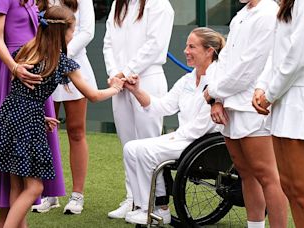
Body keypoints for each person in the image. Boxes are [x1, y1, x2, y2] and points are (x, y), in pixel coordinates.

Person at [0, 6, 124, 228]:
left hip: (8, 117)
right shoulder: (61, 62)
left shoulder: (24, 51)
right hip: (27, 123)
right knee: (35, 188)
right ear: (63, 33)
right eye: (72, 31)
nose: (73, 35)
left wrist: (38, 116)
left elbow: (19, 94)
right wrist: (115, 88)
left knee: (16, 186)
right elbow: (93, 95)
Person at [120, 27, 224, 225]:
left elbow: (202, 126)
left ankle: (159, 207)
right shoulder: (187, 79)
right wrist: (136, 90)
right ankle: (146, 206)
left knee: (146, 151)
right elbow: (163, 106)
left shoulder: (218, 80)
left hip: (202, 143)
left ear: (209, 51)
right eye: (186, 45)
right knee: (131, 148)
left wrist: (173, 136)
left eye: (192, 46)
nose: (185, 50)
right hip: (184, 138)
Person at [203, 0, 288, 227]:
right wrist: (216, 99)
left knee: (268, 176)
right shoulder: (241, 15)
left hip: (254, 107)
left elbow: (249, 67)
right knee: (245, 172)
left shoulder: (269, 13)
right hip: (231, 105)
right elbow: (225, 60)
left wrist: (213, 92)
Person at [252, 0, 304, 227]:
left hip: (302, 99)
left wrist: (269, 94)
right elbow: (278, 51)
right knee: (290, 188)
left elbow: (299, 55)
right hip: (285, 98)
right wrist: (262, 86)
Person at [0, 0, 66, 226]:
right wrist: (15, 67)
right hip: (14, 71)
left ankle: (12, 223)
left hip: (36, 71)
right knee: (12, 157)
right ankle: (7, 221)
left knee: (22, 168)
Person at [103, 0, 174, 219]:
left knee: (149, 143)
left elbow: (154, 44)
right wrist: (116, 73)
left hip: (148, 79)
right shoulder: (118, 4)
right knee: (128, 144)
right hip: (120, 84)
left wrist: (126, 72)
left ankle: (159, 205)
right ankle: (134, 199)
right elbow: (108, 43)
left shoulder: (160, 5)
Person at [31, 0, 97, 215]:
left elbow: (87, 32)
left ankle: (77, 195)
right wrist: (48, 56)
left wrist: (61, 54)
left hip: (74, 67)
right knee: (45, 130)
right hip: (46, 66)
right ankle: (51, 192)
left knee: (76, 131)